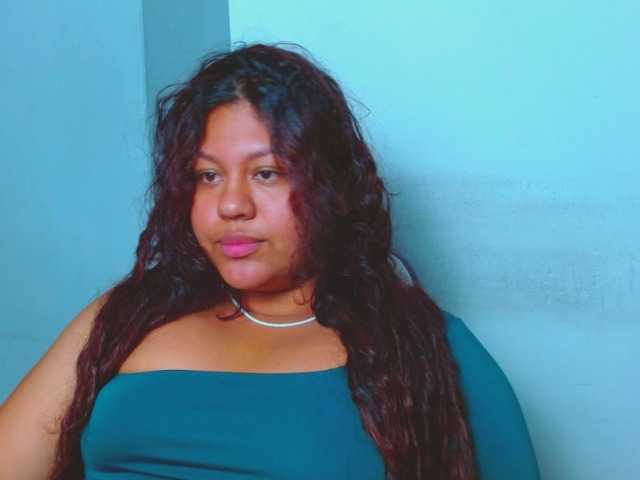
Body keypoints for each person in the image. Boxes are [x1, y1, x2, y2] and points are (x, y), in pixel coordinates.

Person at [0, 43, 540, 480]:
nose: (231, 205)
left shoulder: (425, 349)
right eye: (208, 176)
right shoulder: (126, 317)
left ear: (330, 187)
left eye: (266, 173)